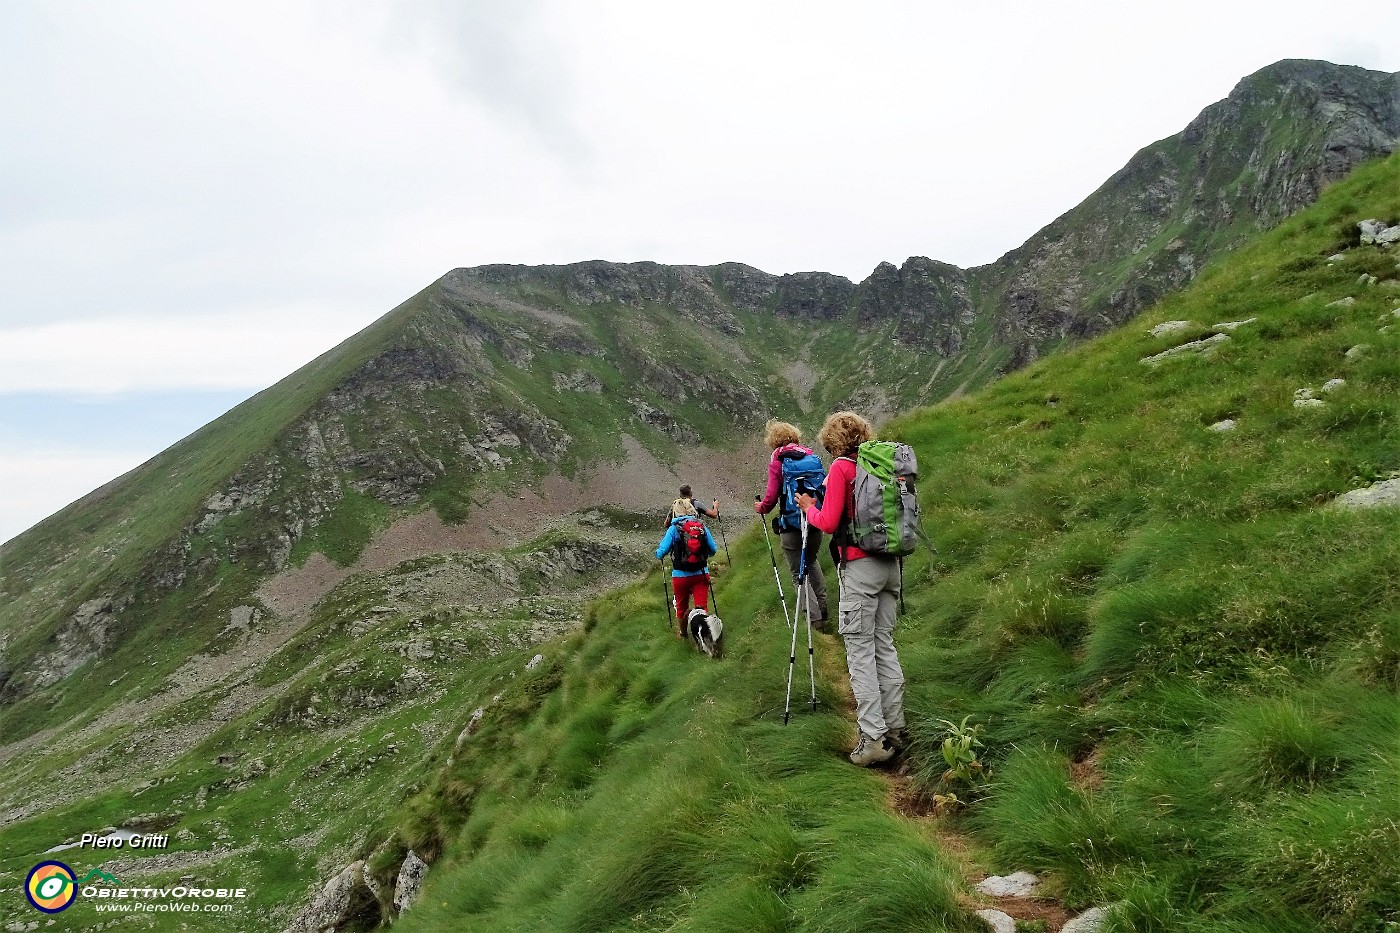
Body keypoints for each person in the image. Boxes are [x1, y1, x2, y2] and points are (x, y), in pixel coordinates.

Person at [795, 411, 907, 767]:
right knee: (883, 646)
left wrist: (809, 508)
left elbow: (828, 523)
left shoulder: (843, 467)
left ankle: (872, 739)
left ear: (833, 441)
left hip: (859, 567)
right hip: (891, 565)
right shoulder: (881, 464)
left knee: (860, 654)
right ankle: (895, 729)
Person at [753, 420, 830, 630]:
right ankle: (823, 610)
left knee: (798, 573)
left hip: (792, 525)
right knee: (812, 561)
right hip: (814, 519)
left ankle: (814, 622)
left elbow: (770, 499)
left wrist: (761, 507)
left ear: (773, 441)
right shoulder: (811, 457)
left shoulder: (778, 462)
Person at [655, 509, 719, 641]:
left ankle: (683, 634)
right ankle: (705, 635)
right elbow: (713, 550)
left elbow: (661, 552)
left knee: (681, 606)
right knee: (701, 606)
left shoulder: (673, 529)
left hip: (680, 575)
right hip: (701, 573)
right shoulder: (701, 526)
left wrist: (658, 553)